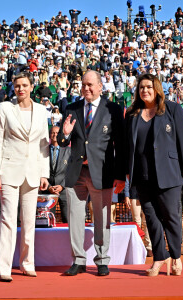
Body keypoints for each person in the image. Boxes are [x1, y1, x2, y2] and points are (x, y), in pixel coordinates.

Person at [125, 73, 183, 277]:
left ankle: (175, 257)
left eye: (148, 87)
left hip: (169, 173)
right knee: (152, 219)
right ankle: (159, 257)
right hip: (142, 174)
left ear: (157, 88)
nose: (144, 90)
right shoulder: (132, 114)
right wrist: (126, 172)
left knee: (171, 217)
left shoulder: (172, 109)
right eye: (141, 88)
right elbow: (127, 146)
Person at [57, 70, 125, 277]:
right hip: (76, 173)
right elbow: (61, 142)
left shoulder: (113, 109)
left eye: (90, 85)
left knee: (102, 218)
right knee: (75, 218)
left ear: (100, 87)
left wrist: (121, 175)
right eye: (84, 84)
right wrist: (65, 133)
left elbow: (120, 145)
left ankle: (102, 260)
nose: (86, 88)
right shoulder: (72, 108)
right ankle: (78, 260)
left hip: (102, 173)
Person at [0, 72, 50, 282]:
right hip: (8, 170)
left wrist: (45, 173)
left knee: (29, 222)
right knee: (7, 219)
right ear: (13, 88)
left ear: (32, 87)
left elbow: (44, 144)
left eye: (24, 85)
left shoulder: (42, 111)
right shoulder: (5, 108)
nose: (21, 89)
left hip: (33, 172)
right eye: (17, 86)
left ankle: (27, 263)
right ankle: (4, 267)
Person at [46, 126, 71, 223]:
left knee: (67, 220)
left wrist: (62, 186)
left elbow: (71, 171)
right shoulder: (43, 150)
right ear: (49, 135)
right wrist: (49, 187)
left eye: (57, 133)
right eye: (52, 132)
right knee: (48, 221)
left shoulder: (68, 151)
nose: (55, 135)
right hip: (48, 192)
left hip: (64, 191)